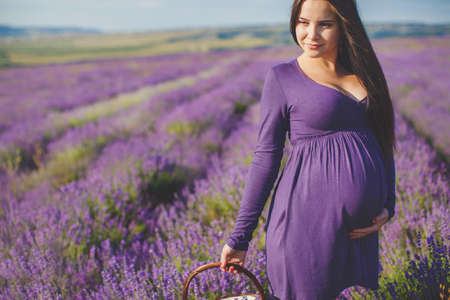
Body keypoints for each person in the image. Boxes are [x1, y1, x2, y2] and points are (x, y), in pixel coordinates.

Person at [219, 0, 397, 299]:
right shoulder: (283, 77)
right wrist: (240, 236)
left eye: (324, 24)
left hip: (357, 233)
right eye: (303, 22)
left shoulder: (368, 73)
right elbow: (266, 157)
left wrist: (389, 204)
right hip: (304, 226)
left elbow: (383, 140)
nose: (311, 34)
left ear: (345, 25)